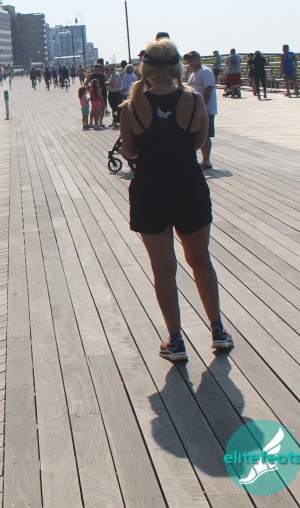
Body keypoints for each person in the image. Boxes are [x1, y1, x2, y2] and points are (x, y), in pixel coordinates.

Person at [120, 37, 233, 362]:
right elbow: (198, 143)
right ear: (177, 66)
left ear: (145, 67)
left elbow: (130, 152)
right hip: (189, 187)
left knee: (164, 269)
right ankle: (217, 331)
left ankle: (176, 340)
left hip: (151, 190)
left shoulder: (131, 107)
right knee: (200, 260)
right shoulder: (195, 100)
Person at [185, 51, 216, 169]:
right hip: (196, 109)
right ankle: (203, 159)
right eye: (188, 60)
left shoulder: (205, 72)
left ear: (199, 58)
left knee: (205, 133)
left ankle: (206, 160)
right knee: (198, 133)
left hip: (206, 109)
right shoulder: (192, 74)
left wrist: (203, 107)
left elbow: (208, 89)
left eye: (192, 58)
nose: (190, 61)